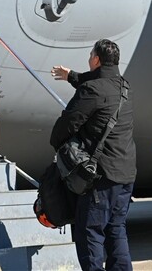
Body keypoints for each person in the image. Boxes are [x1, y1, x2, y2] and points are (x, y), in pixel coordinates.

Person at [49, 39, 136, 271]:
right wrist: (72, 76)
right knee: (116, 230)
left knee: (89, 233)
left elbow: (68, 123)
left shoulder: (92, 90)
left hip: (101, 178)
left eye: (90, 55)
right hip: (126, 174)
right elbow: (101, 82)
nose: (89, 59)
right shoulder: (124, 86)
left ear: (96, 59)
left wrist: (57, 145)